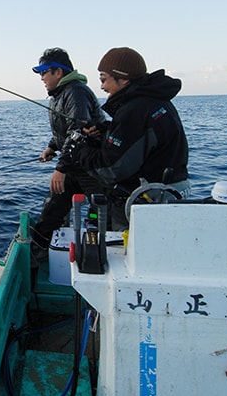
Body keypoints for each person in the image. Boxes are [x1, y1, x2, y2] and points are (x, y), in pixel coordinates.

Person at [73, 47, 191, 229]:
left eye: (103, 79)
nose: (102, 87)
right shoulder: (157, 101)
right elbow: (141, 140)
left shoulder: (134, 110)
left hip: (149, 201)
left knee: (130, 245)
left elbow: (110, 169)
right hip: (172, 192)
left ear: (124, 79)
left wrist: (80, 150)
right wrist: (107, 130)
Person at [30, 47, 106, 265]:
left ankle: (100, 259)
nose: (41, 78)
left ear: (58, 72)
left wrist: (60, 169)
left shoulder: (76, 92)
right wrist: (52, 147)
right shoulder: (58, 95)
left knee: (100, 217)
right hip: (73, 164)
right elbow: (64, 132)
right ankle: (38, 254)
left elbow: (78, 132)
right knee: (51, 212)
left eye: (44, 72)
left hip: (91, 168)